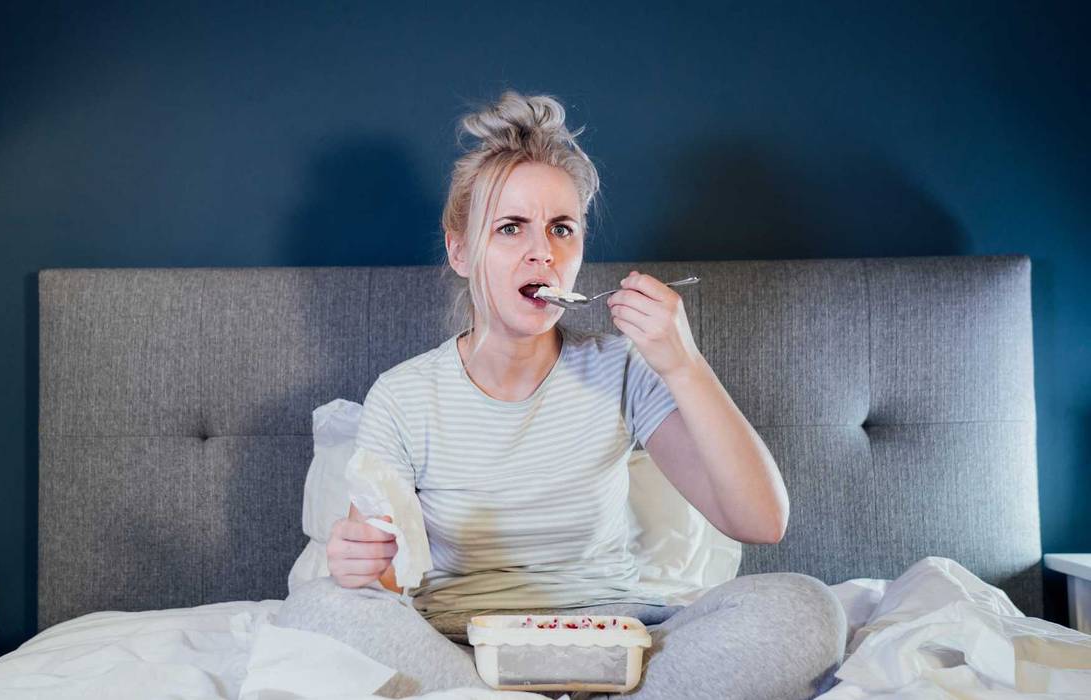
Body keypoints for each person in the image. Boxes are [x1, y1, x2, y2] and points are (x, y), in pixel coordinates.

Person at [275, 90, 846, 700]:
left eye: (561, 229)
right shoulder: (405, 394)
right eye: (511, 227)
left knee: (806, 608)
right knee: (319, 612)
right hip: (462, 652)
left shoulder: (623, 369)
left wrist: (684, 363)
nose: (541, 250)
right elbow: (384, 574)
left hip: (620, 645)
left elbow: (761, 521)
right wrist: (357, 563)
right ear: (460, 250)